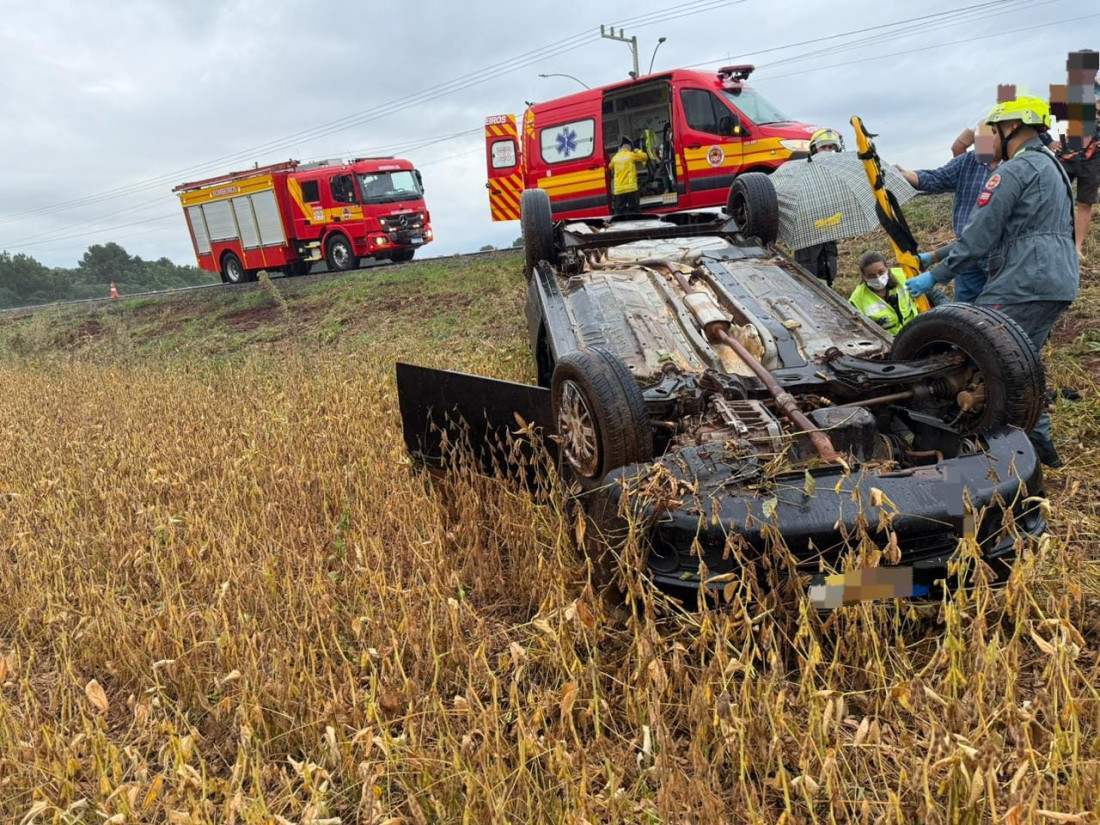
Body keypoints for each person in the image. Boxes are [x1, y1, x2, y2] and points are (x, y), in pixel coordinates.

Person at [906, 95, 1078, 467]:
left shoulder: (1012, 171)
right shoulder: (1050, 166)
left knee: (987, 355)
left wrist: (934, 276)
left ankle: (1007, 453)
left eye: (993, 131)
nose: (990, 139)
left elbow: (980, 235)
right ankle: (1042, 452)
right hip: (1055, 279)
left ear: (1011, 127)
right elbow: (1008, 232)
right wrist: (935, 255)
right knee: (1021, 364)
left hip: (1024, 280)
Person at [895, 120, 994, 303]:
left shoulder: (1014, 167)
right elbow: (937, 178)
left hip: (998, 256)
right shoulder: (969, 162)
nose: (984, 142)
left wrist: (934, 265)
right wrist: (909, 176)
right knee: (967, 309)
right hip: (966, 253)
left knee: (1002, 308)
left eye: (990, 135)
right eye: (981, 136)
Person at [793, 128, 845, 287]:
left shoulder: (836, 174)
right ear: (814, 150)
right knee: (807, 276)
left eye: (831, 147)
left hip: (828, 231)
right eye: (824, 147)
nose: (828, 151)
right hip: (807, 233)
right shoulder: (802, 172)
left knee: (829, 270)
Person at [1055, 76, 1099, 257]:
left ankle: (1077, 247)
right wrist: (1051, 142)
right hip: (1068, 152)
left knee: (1085, 202)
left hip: (1095, 155)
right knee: (1056, 195)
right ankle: (1057, 239)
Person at [608, 137, 649, 215]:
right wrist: (638, 151)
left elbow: (610, 166)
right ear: (629, 147)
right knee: (634, 211)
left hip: (619, 190)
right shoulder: (631, 155)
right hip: (631, 188)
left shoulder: (615, 158)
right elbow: (645, 157)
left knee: (619, 212)